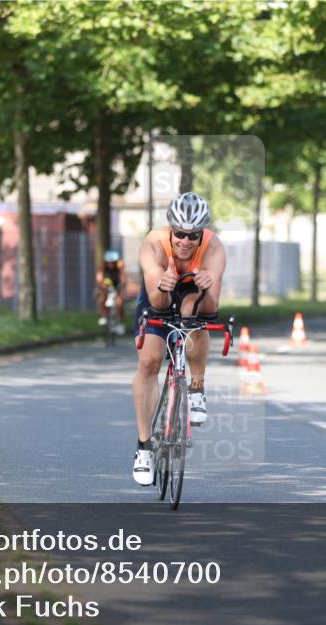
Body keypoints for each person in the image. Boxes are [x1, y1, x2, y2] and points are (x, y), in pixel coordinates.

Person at [132, 192, 226, 484]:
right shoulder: (154, 245)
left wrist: (207, 287)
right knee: (149, 362)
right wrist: (163, 281)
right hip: (157, 294)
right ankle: (144, 448)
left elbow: (212, 309)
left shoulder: (214, 249)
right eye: (180, 234)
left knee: (195, 316)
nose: (186, 241)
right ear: (171, 230)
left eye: (193, 235)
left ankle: (196, 388)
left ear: (202, 234)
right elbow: (158, 304)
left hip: (193, 296)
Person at [96, 248, 125, 334]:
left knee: (120, 303)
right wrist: (101, 285)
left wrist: (122, 286)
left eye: (113, 262)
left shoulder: (120, 266)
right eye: (109, 262)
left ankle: (120, 322)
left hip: (117, 285)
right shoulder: (102, 266)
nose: (111, 264)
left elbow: (123, 277)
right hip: (106, 285)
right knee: (101, 299)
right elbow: (99, 278)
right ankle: (104, 316)